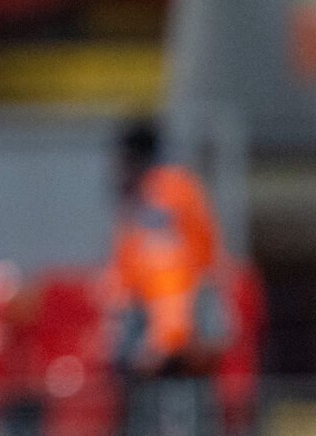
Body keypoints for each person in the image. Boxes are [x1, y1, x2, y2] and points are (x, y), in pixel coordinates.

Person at [105, 122, 231, 436]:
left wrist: (164, 343)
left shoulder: (164, 196)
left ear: (134, 158)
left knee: (177, 418)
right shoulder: (149, 196)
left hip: (179, 338)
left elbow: (171, 277)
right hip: (158, 330)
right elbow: (129, 274)